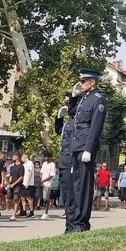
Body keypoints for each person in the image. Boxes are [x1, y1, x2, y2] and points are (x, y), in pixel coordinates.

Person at [69, 68, 107, 232]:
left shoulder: (98, 100)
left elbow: (96, 127)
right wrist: (74, 96)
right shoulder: (84, 99)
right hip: (77, 144)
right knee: (77, 185)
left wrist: (89, 149)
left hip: (85, 145)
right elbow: (71, 113)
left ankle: (82, 222)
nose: (81, 83)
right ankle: (77, 220)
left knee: (84, 186)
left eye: (84, 81)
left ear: (92, 82)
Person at [55, 83, 82, 232]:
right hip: (64, 159)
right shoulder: (68, 122)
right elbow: (58, 131)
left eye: (68, 104)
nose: (66, 107)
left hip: (71, 158)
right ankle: (69, 225)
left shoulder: (78, 122)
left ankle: (72, 226)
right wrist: (58, 118)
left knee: (72, 195)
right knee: (66, 194)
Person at [40, 152, 56, 219]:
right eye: (45, 157)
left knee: (46, 198)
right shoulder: (44, 164)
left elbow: (51, 175)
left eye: (47, 157)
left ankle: (46, 213)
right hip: (42, 183)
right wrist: (41, 180)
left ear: (50, 157)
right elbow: (41, 172)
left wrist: (43, 180)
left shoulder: (52, 165)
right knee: (42, 198)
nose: (46, 158)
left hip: (48, 183)